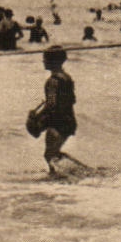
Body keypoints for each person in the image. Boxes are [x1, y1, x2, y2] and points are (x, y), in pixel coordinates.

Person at [30, 43, 81, 177]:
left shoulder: (52, 81)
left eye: (45, 59)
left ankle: (67, 174)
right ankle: (73, 170)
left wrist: (36, 117)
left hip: (57, 123)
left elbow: (51, 104)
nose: (43, 61)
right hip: (69, 120)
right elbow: (72, 100)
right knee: (54, 153)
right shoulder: (67, 78)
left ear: (52, 61)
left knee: (49, 155)